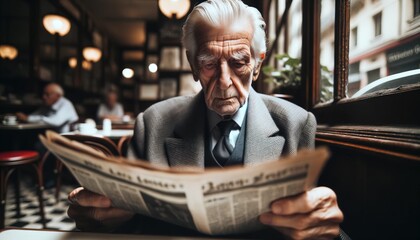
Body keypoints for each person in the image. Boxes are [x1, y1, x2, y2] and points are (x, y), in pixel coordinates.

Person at [67, 1, 344, 239]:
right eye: (210, 64)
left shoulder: (297, 124)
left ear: (257, 64)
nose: (224, 83)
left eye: (238, 63)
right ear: (192, 65)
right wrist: (106, 220)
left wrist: (326, 232)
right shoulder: (152, 123)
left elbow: (317, 222)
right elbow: (137, 222)